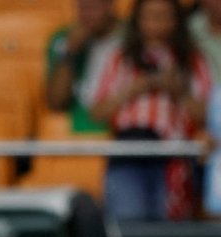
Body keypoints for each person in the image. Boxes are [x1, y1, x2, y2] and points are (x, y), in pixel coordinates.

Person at [89, 0, 210, 221]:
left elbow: (209, 116)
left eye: (163, 16)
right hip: (129, 150)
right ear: (138, 21)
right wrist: (133, 89)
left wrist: (179, 93)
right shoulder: (118, 57)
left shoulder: (193, 60)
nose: (156, 24)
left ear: (176, 21)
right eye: (150, 16)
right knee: (128, 224)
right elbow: (97, 112)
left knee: (167, 233)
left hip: (174, 155)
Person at [46, 0, 122, 133]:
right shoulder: (63, 39)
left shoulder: (133, 37)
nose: (87, 15)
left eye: (93, 8)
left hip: (121, 118)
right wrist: (70, 52)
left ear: (111, 6)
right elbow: (56, 103)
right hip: (77, 121)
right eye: (82, 8)